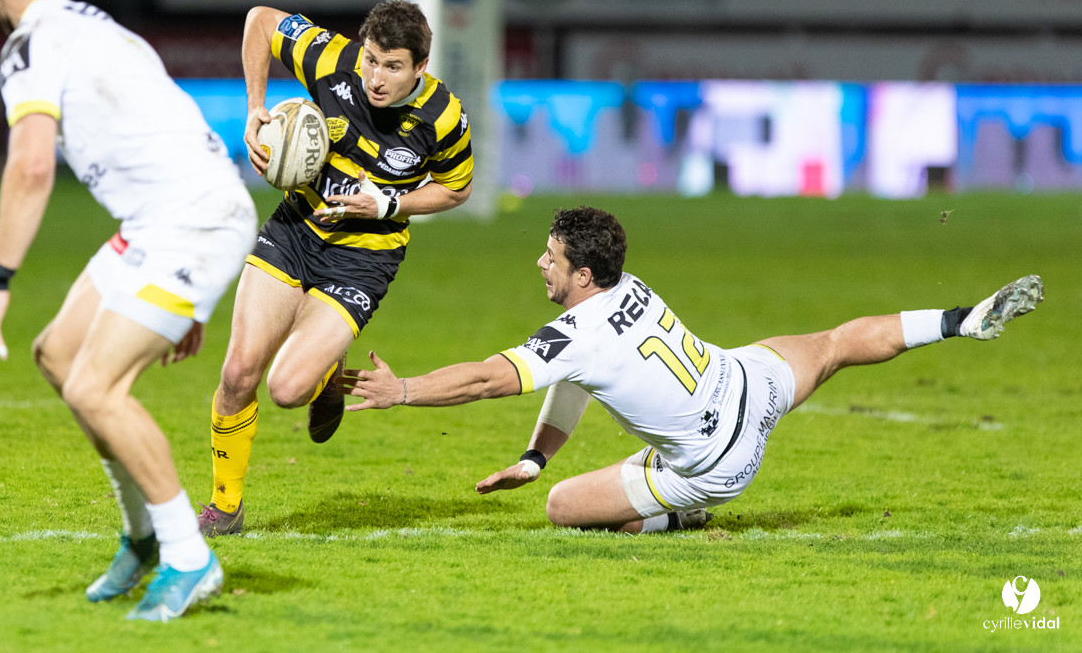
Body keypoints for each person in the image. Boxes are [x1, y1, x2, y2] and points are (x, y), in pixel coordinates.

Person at [339, 207, 1043, 533]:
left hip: (717, 462)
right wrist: (535, 454)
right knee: (833, 344)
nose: (540, 263)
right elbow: (572, 376)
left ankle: (681, 513)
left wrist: (403, 391)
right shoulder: (626, 283)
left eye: (551, 257)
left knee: (564, 510)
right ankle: (961, 319)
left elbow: (486, 379)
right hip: (750, 385)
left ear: (582, 275)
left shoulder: (575, 333)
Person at [0, 0, 257, 619]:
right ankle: (143, 536)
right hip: (166, 222)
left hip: (190, 223)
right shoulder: (103, 28)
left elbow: (31, 167)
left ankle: (189, 555)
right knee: (59, 355)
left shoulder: (27, 45)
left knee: (95, 388)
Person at [197, 0, 474, 536]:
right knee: (237, 374)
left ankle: (326, 370)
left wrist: (388, 204)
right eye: (371, 60)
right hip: (294, 230)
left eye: (392, 67)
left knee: (286, 390)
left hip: (363, 258)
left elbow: (455, 189)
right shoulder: (332, 59)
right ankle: (224, 507)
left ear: (420, 66)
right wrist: (255, 108)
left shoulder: (444, 117)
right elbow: (260, 20)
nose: (375, 77)